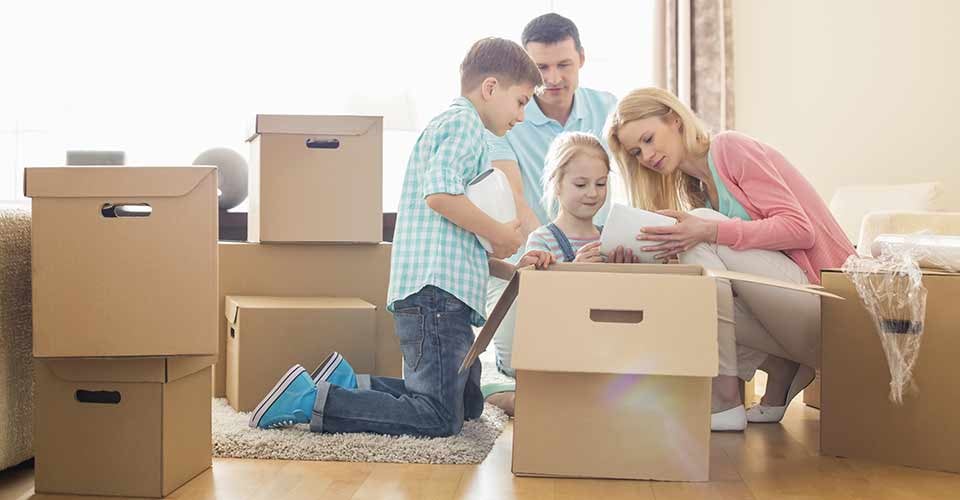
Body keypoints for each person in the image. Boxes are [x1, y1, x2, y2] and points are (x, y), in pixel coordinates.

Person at [248, 37, 550, 437]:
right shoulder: (464, 126)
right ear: (491, 88)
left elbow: (455, 234)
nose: (523, 115)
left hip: (441, 293)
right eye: (522, 101)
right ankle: (314, 400)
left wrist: (507, 266)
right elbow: (440, 195)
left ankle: (351, 384)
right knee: (440, 416)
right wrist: (498, 231)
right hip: (437, 298)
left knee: (467, 404)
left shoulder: (457, 128)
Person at [606, 87, 855, 431]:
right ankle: (779, 366)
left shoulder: (729, 148)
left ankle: (724, 396)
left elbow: (800, 229)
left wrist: (709, 230)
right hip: (790, 318)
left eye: (649, 139)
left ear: (674, 120)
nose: (646, 156)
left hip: (831, 306)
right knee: (686, 289)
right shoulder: (695, 187)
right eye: (636, 151)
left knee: (704, 224)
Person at [483, 13, 619, 412]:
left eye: (564, 65)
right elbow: (520, 204)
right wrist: (562, 262)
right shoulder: (506, 118)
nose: (553, 78)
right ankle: (496, 387)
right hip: (529, 264)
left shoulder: (607, 108)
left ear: (581, 58)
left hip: (595, 257)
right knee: (515, 363)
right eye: (541, 67)